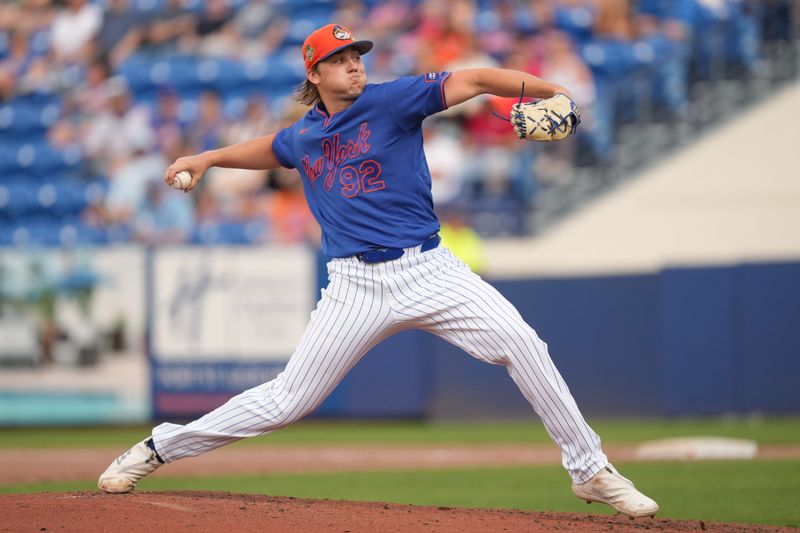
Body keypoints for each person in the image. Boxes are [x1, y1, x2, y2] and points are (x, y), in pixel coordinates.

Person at [98, 23, 659, 519]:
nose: (354, 64)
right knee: (286, 401)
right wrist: (207, 158)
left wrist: (549, 89)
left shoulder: (395, 100)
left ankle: (589, 469)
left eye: (357, 55)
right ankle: (158, 448)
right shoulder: (305, 135)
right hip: (354, 287)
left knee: (524, 345)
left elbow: (477, 78)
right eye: (341, 59)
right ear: (315, 73)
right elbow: (269, 148)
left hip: (430, 269)